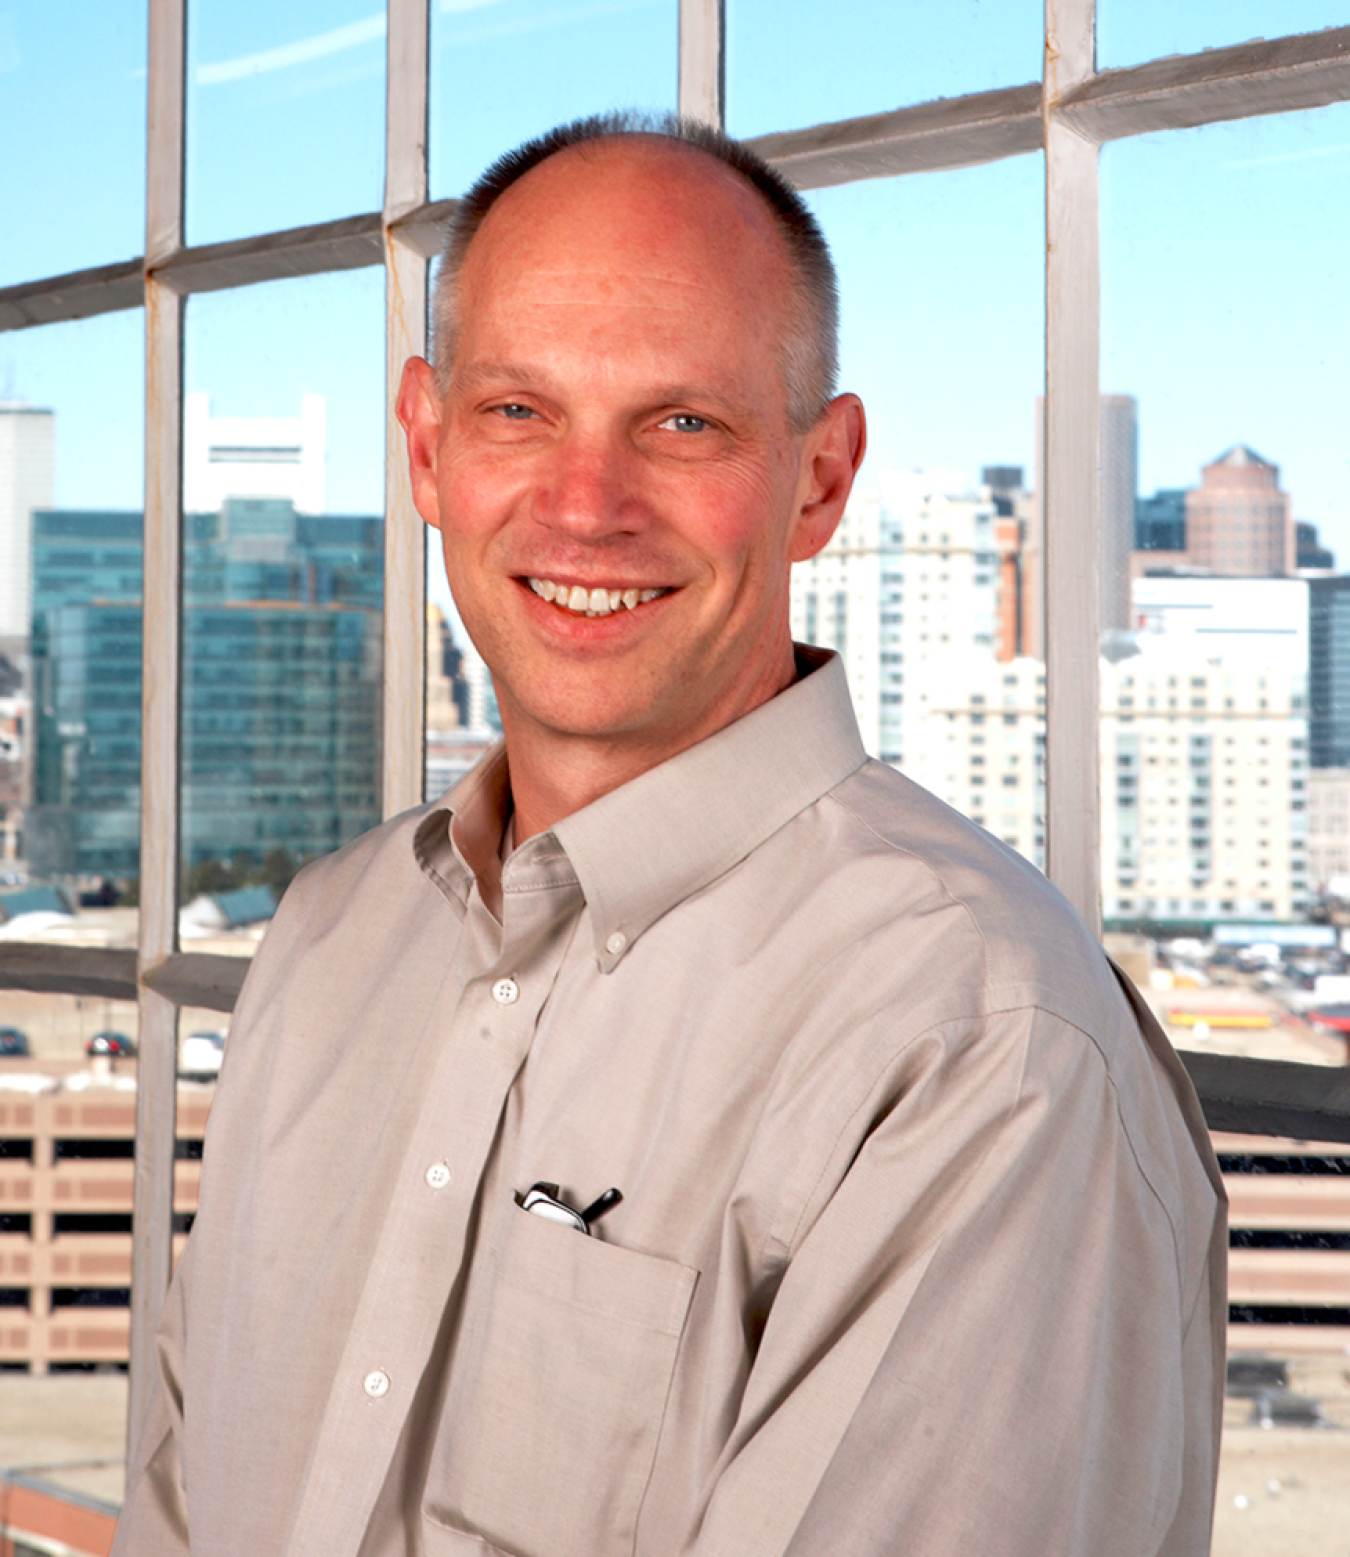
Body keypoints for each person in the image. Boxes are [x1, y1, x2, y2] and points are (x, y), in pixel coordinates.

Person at [114, 114, 1225, 1557]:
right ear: (428, 447)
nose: (587, 507)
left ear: (819, 478)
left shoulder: (974, 1042)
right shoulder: (330, 941)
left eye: (681, 423)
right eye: (519, 411)